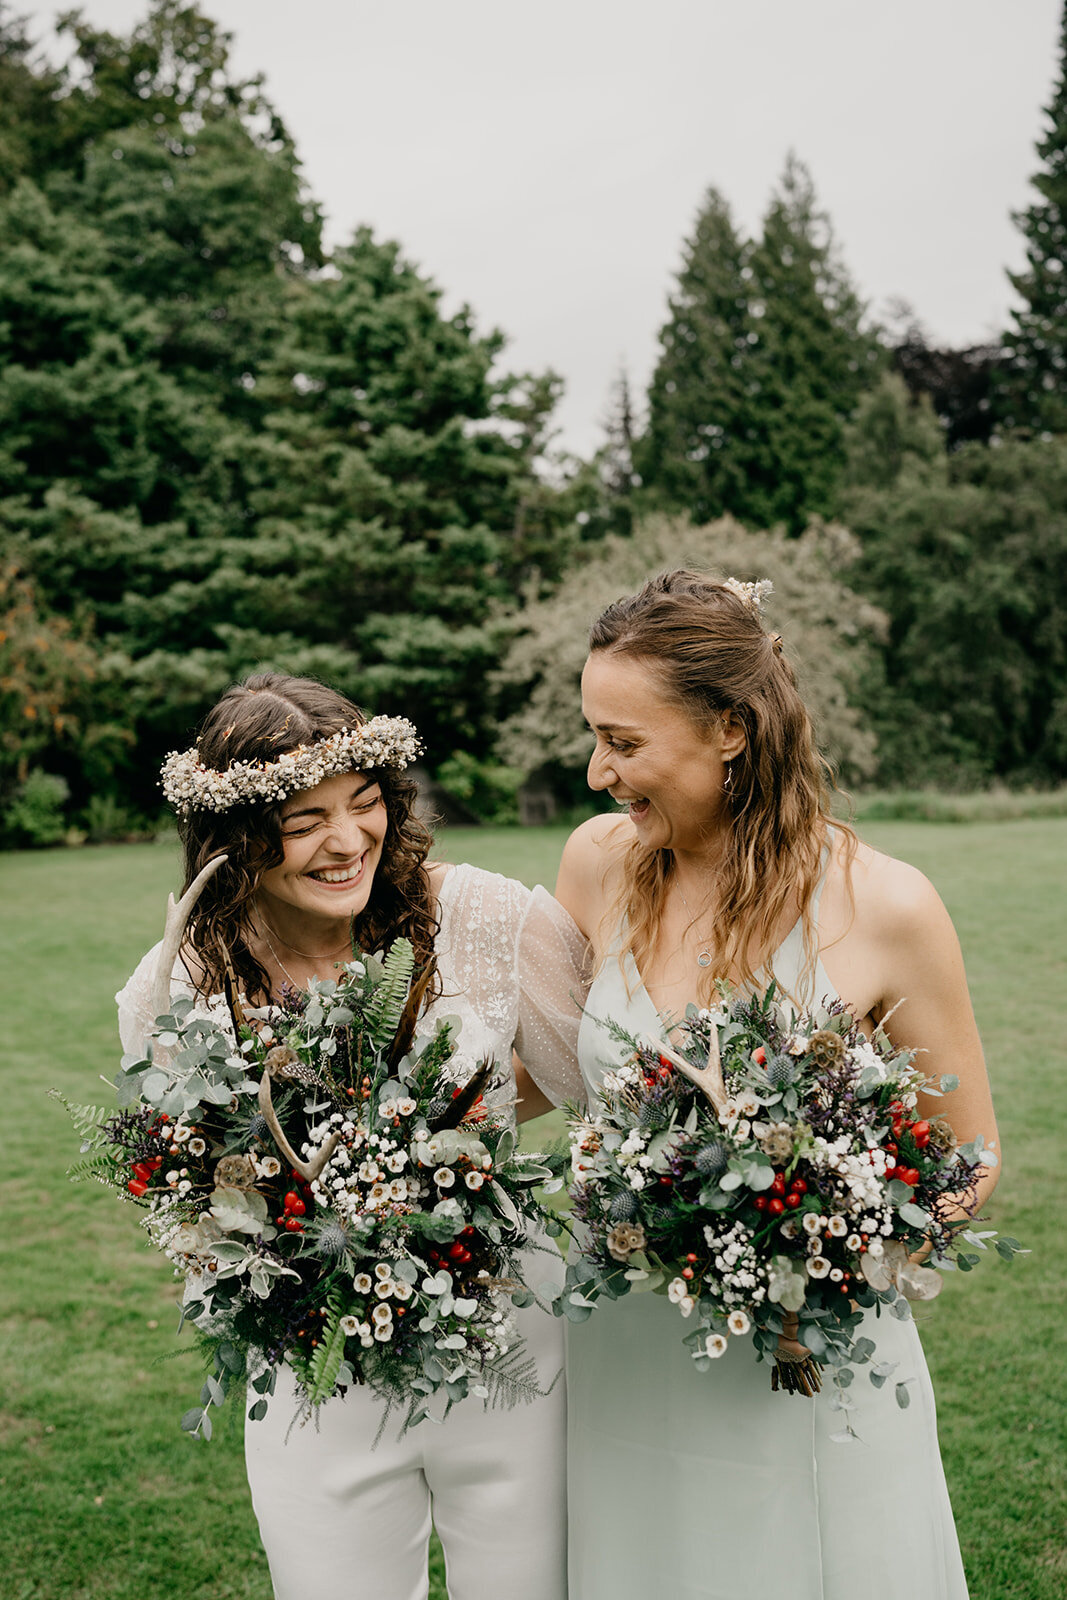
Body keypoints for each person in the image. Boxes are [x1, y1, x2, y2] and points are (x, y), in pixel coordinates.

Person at [554, 572, 999, 1600]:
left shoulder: (885, 905)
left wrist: (816, 1251)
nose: (593, 772)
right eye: (594, 735)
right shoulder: (595, 867)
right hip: (624, 1349)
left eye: (622, 742)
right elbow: (541, 1076)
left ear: (729, 729)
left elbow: (966, 1157)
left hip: (796, 1355)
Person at [116, 672, 584, 1600]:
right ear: (235, 838)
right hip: (313, 1374)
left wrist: (439, 1134)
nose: (346, 841)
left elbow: (598, 1079)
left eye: (363, 804)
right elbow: (188, 1183)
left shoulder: (483, 917)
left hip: (513, 1353)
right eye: (302, 821)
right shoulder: (175, 989)